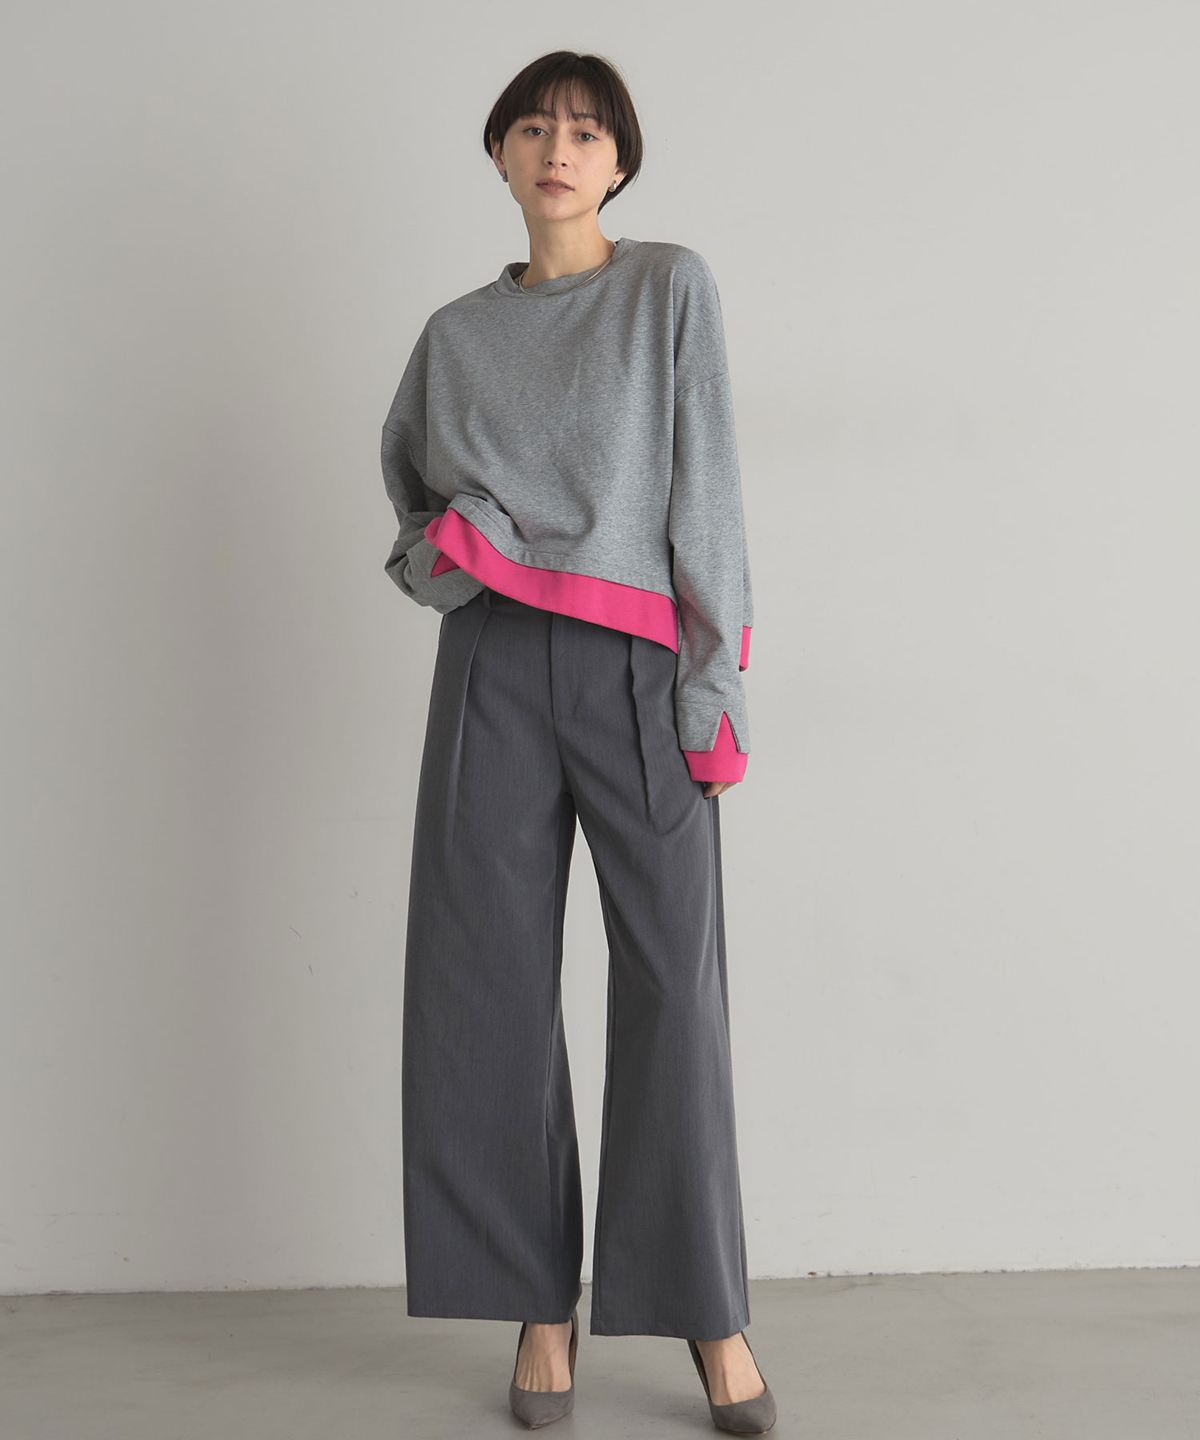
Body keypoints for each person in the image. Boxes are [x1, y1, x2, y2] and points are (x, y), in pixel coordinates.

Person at [380, 50, 776, 1435]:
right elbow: (413, 519)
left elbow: (708, 490)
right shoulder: (454, 337)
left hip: (638, 667)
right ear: (499, 151)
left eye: (590, 131)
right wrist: (454, 549)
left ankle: (711, 1313)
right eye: (537, 127)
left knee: (675, 985)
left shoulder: (667, 289)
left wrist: (714, 686)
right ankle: (536, 1304)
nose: (561, 148)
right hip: (491, 662)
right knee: (482, 984)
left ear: (620, 163)